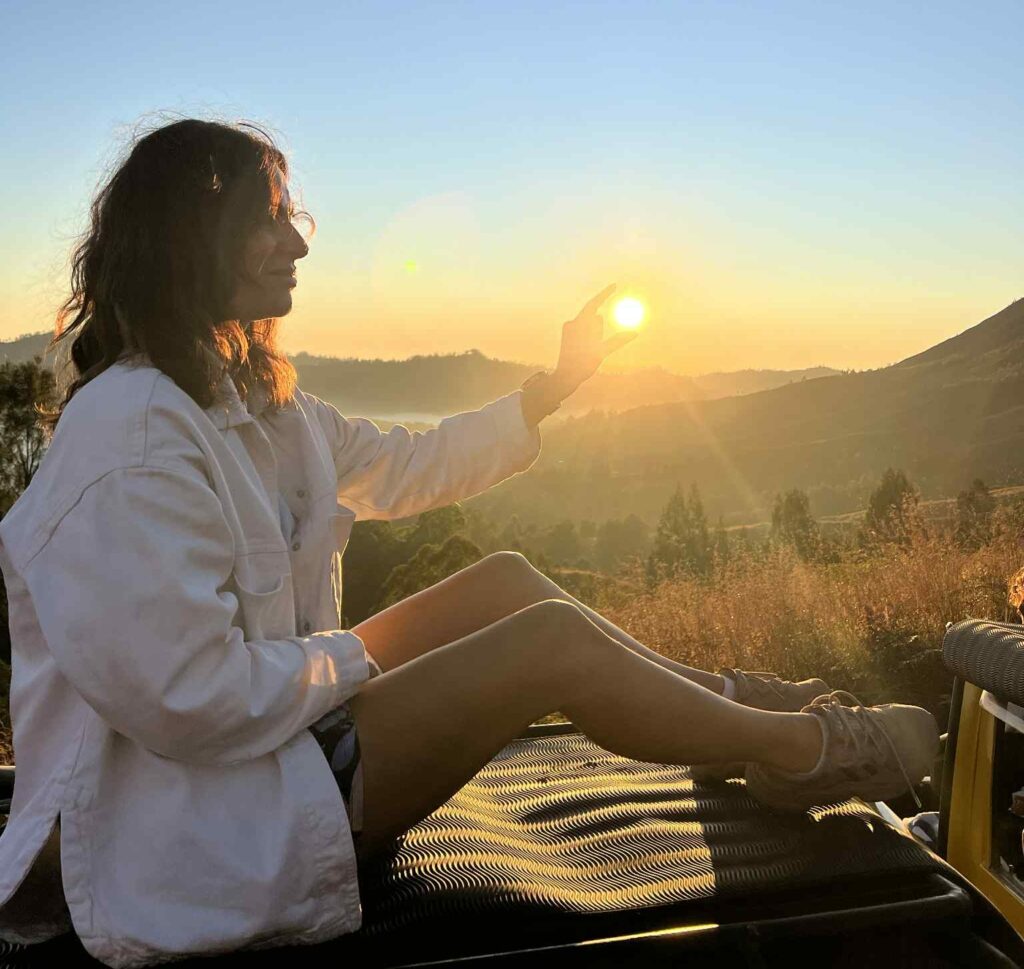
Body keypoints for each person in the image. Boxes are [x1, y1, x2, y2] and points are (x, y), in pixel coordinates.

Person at [0, 118, 939, 968]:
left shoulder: (247, 400)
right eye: (271, 217)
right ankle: (806, 747)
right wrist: (354, 658)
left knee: (506, 582)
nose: (298, 242)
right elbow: (190, 699)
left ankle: (733, 707)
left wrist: (555, 386)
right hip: (206, 826)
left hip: (274, 745)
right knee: (547, 647)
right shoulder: (132, 443)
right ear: (189, 238)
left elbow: (413, 465)